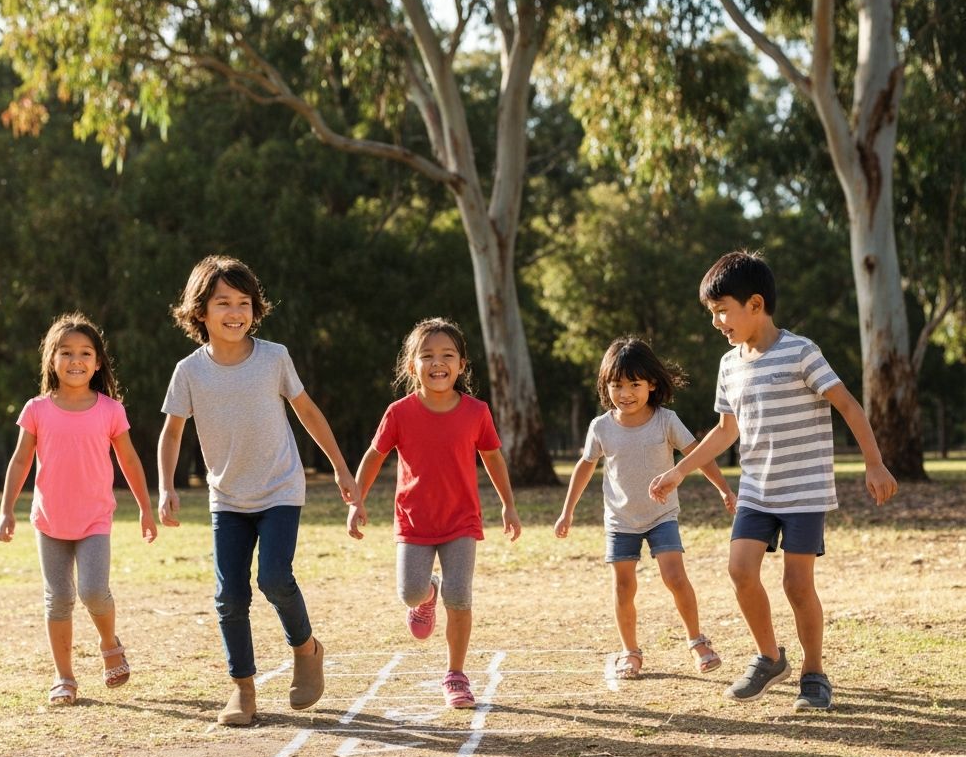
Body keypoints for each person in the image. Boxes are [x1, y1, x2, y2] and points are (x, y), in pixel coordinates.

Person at [650, 250, 898, 712]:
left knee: (797, 585)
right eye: (712, 312)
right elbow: (726, 430)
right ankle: (769, 656)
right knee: (740, 570)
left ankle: (814, 672)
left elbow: (847, 404)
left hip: (803, 490)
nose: (717, 321)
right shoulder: (729, 365)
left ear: (756, 305)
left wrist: (874, 463)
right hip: (758, 491)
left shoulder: (801, 351)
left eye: (722, 310)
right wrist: (680, 471)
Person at [157, 255, 360, 727]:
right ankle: (242, 690)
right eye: (222, 302)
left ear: (255, 308)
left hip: (279, 489)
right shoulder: (189, 371)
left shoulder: (274, 357)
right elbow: (171, 433)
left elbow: (307, 411)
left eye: (243, 302)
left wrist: (340, 467)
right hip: (227, 498)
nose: (235, 311)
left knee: (273, 576)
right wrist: (165, 486)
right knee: (230, 597)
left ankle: (306, 649)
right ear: (200, 312)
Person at [346, 317, 521, 709]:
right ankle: (428, 596)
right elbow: (375, 456)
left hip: (461, 520)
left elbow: (492, 458)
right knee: (409, 591)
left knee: (460, 596)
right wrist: (358, 499)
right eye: (427, 356)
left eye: (447, 355)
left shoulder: (476, 412)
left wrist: (508, 505)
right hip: (414, 521)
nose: (437, 363)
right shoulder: (399, 412)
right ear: (412, 366)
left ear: (461, 365)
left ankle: (455, 674)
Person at [0, 313, 157, 707]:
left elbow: (131, 462)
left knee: (93, 592)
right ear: (51, 359)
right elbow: (20, 462)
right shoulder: (36, 409)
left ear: (98, 362)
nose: (76, 360)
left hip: (94, 519)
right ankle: (64, 677)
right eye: (66, 352)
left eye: (85, 352)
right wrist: (6, 510)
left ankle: (109, 643)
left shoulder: (110, 411)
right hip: (49, 520)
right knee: (59, 598)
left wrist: (145, 509)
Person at [554, 338, 736, 681]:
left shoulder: (666, 421)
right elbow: (585, 466)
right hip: (620, 520)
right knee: (624, 587)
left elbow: (697, 455)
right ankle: (631, 652)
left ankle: (697, 641)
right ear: (606, 386)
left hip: (660, 515)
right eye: (617, 385)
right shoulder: (602, 426)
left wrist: (725, 489)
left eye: (634, 384)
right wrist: (568, 512)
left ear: (652, 384)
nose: (626, 393)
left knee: (674, 577)